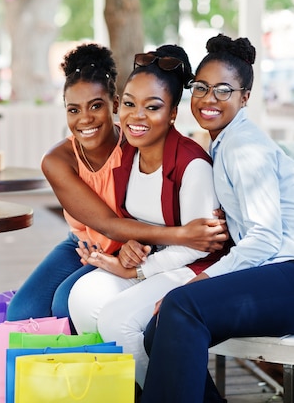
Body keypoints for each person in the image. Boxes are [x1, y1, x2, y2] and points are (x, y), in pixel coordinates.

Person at [139, 34, 294, 403]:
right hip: (282, 273)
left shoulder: (244, 147)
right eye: (201, 88)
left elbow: (265, 238)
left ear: (244, 97)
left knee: (182, 306)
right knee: (158, 330)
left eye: (223, 90)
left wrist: (198, 281)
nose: (208, 99)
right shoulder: (225, 143)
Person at [6, 43, 228, 325]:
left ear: (113, 104)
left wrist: (213, 218)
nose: (85, 119)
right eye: (73, 110)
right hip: (85, 244)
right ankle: (46, 366)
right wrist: (184, 234)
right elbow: (107, 224)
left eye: (96, 106)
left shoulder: (136, 141)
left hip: (130, 245)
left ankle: (95, 366)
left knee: (66, 302)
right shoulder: (58, 160)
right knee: (20, 312)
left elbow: (172, 180)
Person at [67, 44, 229, 387]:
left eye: (152, 107)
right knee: (83, 297)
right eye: (128, 104)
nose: (136, 116)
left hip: (192, 270)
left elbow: (201, 245)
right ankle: (131, 392)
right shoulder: (128, 154)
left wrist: (138, 268)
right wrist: (130, 246)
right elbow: (134, 223)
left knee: (117, 320)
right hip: (149, 264)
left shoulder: (191, 164)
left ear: (172, 113)